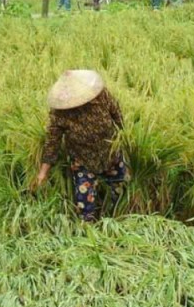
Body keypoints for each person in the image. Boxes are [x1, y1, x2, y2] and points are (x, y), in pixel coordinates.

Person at [32, 70, 129, 222]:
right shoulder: (60, 112)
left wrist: (126, 138)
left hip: (110, 153)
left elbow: (117, 114)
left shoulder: (101, 96)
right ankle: (89, 232)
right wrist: (43, 173)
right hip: (83, 160)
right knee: (85, 203)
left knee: (119, 191)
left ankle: (117, 220)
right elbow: (53, 142)